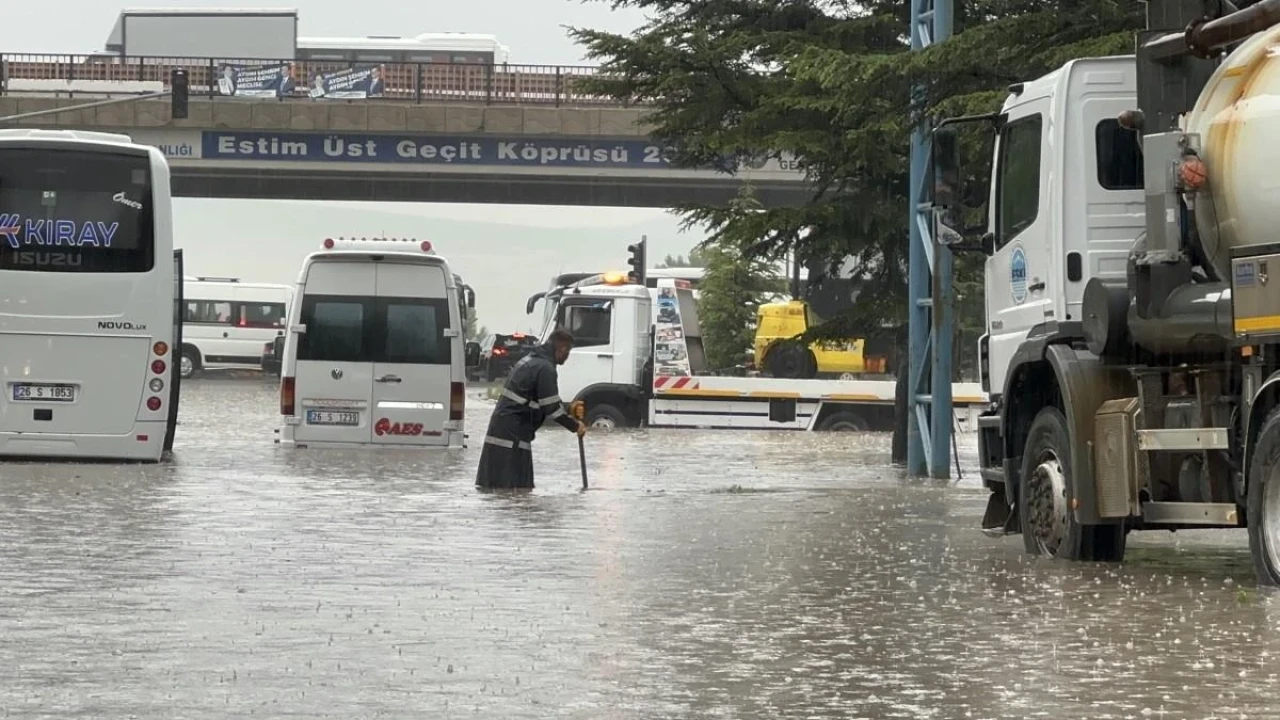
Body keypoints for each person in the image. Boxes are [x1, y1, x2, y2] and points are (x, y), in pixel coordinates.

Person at [475, 329, 586, 490]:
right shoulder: (546, 368)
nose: (567, 358)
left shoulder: (530, 360)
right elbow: (552, 410)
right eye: (568, 352)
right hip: (513, 438)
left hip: (503, 432)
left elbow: (544, 400)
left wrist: (569, 408)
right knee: (515, 491)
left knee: (499, 493)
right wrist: (576, 426)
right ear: (562, 349)